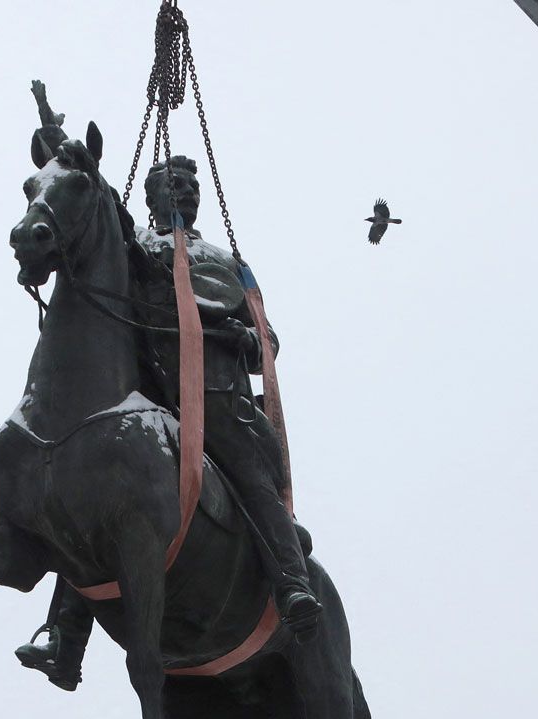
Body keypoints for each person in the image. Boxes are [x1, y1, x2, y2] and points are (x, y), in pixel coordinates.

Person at [16, 155, 322, 689]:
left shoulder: (223, 259)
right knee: (90, 500)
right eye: (169, 186)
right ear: (152, 198)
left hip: (215, 396)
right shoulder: (142, 250)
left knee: (251, 480)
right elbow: (96, 235)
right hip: (151, 396)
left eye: (187, 186)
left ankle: (292, 584)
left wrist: (245, 338)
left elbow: (265, 340)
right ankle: (67, 640)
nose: (181, 193)